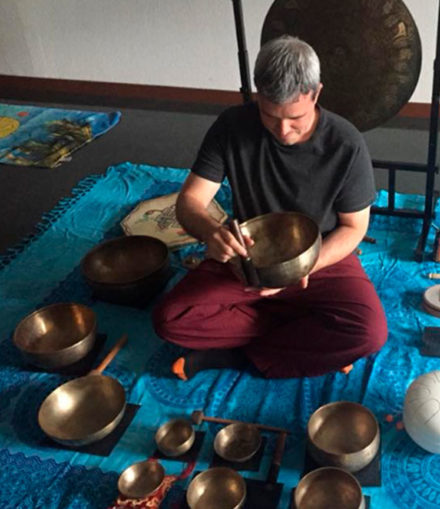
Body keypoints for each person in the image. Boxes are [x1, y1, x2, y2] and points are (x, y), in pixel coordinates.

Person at [152, 35, 388, 379]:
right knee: (170, 319)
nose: (283, 130)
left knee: (369, 332)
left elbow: (354, 228)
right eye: (269, 115)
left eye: (296, 118)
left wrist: (303, 269)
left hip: (319, 257)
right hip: (248, 256)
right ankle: (304, 334)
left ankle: (241, 355)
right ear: (257, 94)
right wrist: (211, 233)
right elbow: (190, 201)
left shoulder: (346, 142)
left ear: (316, 94)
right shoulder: (231, 126)